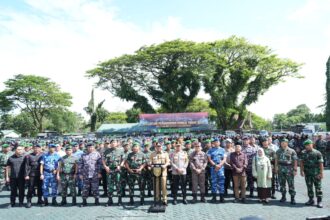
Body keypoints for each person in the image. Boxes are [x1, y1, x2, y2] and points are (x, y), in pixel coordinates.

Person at [300, 139, 324, 208]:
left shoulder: (317, 153)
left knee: (318, 187)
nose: (307, 146)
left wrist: (321, 173)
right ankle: (311, 200)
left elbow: (321, 163)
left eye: (308, 145)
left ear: (312, 144)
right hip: (307, 173)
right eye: (306, 145)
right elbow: (301, 162)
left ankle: (319, 201)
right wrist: (301, 171)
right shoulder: (303, 152)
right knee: (309, 187)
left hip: (316, 173)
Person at [275, 138, 298, 205]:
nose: (283, 144)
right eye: (282, 143)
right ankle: (283, 196)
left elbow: (295, 161)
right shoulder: (278, 151)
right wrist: (276, 167)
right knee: (282, 184)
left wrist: (295, 169)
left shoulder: (292, 151)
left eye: (284, 142)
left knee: (291, 184)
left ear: (287, 143)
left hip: (289, 169)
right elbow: (276, 159)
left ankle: (292, 198)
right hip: (280, 169)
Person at [78, 142, 102, 207]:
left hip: (95, 174)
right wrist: (80, 174)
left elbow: (100, 164)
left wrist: (99, 172)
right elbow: (80, 165)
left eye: (91, 147)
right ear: (87, 148)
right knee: (85, 188)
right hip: (85, 174)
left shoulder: (97, 154)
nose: (90, 148)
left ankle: (97, 201)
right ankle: (84, 202)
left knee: (95, 188)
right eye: (89, 147)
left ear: (93, 147)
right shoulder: (83, 155)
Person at [102, 139, 124, 206]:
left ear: (117, 143)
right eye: (112, 142)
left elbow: (123, 159)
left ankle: (119, 200)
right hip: (109, 170)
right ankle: (110, 200)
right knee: (110, 185)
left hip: (117, 170)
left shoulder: (120, 150)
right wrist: (105, 167)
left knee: (118, 185)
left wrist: (120, 166)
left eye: (114, 142)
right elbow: (103, 160)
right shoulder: (106, 151)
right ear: (110, 144)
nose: (113, 143)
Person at [207, 138, 227, 203]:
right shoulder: (210, 150)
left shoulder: (223, 150)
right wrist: (215, 165)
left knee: (221, 182)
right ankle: (214, 197)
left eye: (217, 142)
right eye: (215, 142)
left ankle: (221, 197)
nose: (216, 143)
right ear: (213, 143)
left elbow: (224, 159)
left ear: (219, 143)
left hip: (221, 168)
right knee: (213, 183)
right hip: (213, 168)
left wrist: (219, 165)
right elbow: (209, 159)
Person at [24, 143, 43, 208]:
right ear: (33, 148)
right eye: (35, 148)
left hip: (40, 174)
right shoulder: (29, 156)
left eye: (38, 148)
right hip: (31, 174)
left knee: (40, 188)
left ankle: (39, 199)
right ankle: (29, 201)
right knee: (30, 188)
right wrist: (26, 174)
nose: (36, 149)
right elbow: (27, 165)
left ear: (40, 148)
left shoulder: (42, 155)